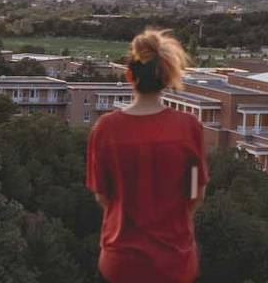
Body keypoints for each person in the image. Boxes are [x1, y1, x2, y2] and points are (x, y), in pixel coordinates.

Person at [87, 28, 207, 283]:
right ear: (165, 78)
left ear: (129, 76)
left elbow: (102, 195)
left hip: (120, 264)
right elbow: (196, 195)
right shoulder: (189, 127)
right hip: (175, 264)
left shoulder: (106, 129)